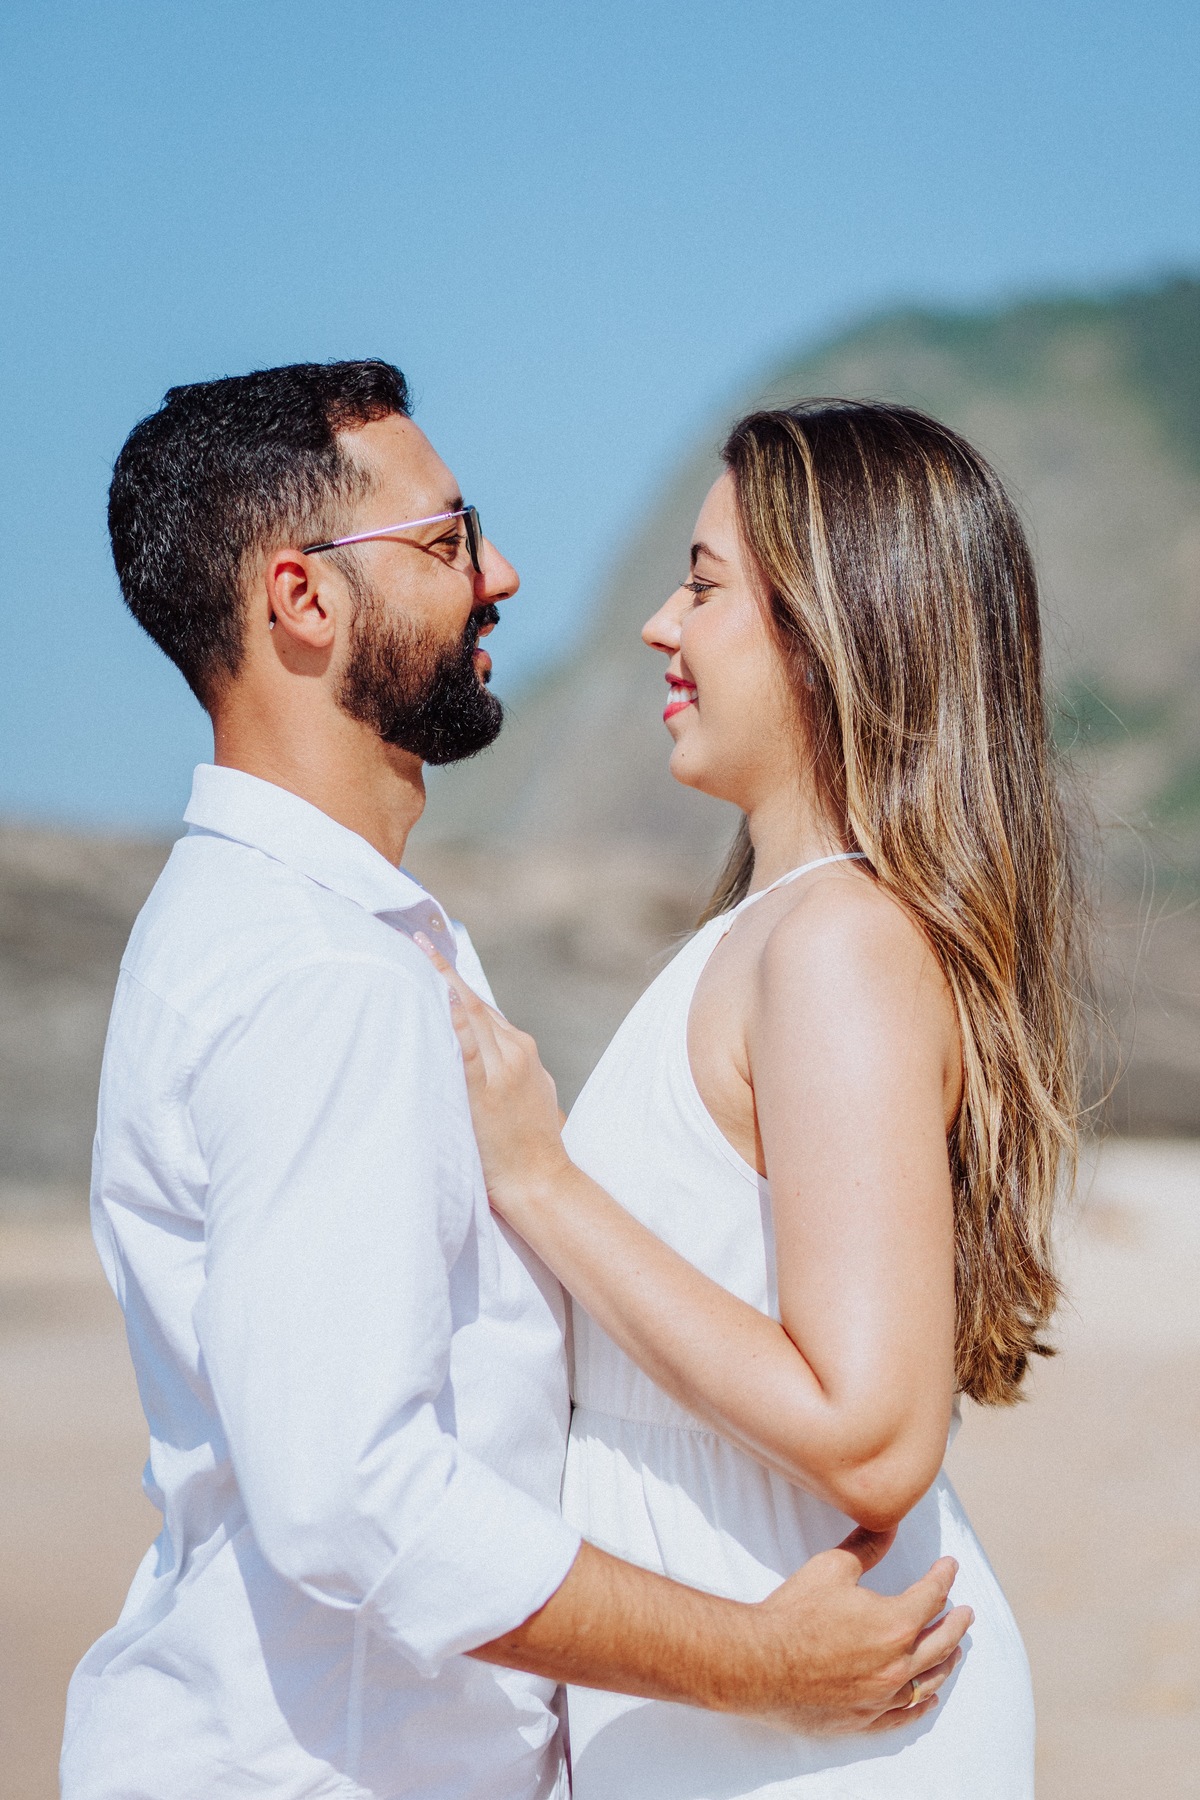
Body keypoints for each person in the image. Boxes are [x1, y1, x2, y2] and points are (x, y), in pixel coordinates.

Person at [60, 366, 971, 1800]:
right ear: (301, 600)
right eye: (443, 542)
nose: (500, 572)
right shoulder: (324, 975)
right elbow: (357, 1501)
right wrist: (758, 1661)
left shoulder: (320, 936)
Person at [424, 400, 1084, 1799]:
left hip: (817, 1725)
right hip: (747, 1700)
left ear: (835, 627)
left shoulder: (836, 943)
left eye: (708, 585)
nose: (663, 626)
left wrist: (542, 1181)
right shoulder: (783, 932)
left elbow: (875, 1432)